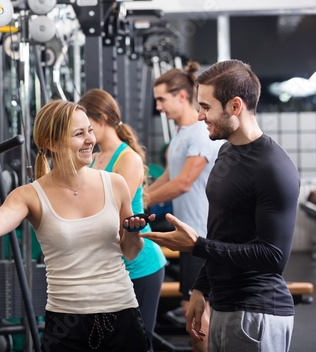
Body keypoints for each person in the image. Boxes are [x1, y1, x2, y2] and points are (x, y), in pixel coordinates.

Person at [0, 99, 152, 352]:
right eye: (79, 134)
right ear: (52, 143)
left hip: (121, 311)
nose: (90, 139)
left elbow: (130, 251)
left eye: (90, 130)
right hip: (66, 323)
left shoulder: (115, 183)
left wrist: (133, 233)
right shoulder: (30, 195)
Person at [141, 59, 300, 352]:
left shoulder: (273, 168)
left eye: (206, 107)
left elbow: (273, 257)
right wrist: (202, 287)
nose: (200, 116)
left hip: (257, 313)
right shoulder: (226, 152)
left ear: (235, 106)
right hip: (225, 305)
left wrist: (197, 247)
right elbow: (222, 233)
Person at [77, 89, 166, 351]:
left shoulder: (129, 159)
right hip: (110, 267)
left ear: (102, 118)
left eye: (88, 127)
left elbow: (112, 210)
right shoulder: (93, 158)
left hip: (140, 264)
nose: (86, 135)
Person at [144, 60, 222, 352]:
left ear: (181, 95)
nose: (159, 107)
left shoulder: (200, 132)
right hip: (191, 235)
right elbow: (169, 175)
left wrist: (141, 200)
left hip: (203, 233)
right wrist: (139, 195)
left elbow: (183, 182)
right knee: (194, 308)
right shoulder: (180, 133)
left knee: (196, 310)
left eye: (162, 99)